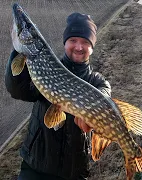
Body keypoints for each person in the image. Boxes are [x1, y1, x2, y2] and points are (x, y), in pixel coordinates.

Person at [5, 12, 111, 180]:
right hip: (36, 166)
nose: (78, 47)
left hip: (74, 172)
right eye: (73, 40)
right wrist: (17, 51)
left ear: (92, 47)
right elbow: (18, 90)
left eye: (85, 42)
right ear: (65, 42)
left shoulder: (98, 83)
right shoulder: (47, 68)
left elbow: (103, 102)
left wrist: (92, 123)